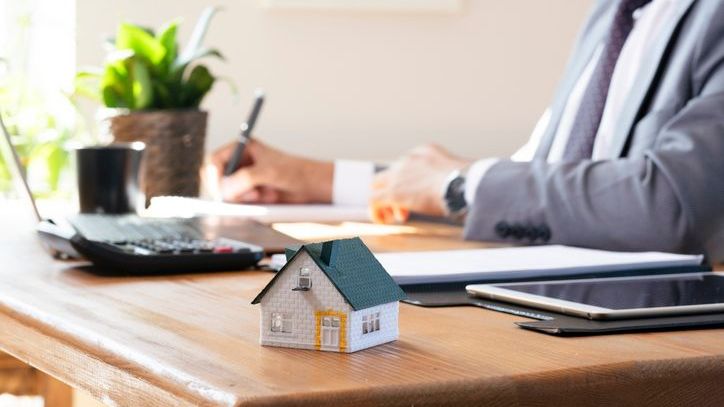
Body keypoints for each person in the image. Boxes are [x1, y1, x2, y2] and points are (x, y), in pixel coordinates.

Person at [209, 0, 724, 261]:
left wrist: (457, 183)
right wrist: (319, 180)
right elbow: (534, 185)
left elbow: (670, 207)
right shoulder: (615, 13)